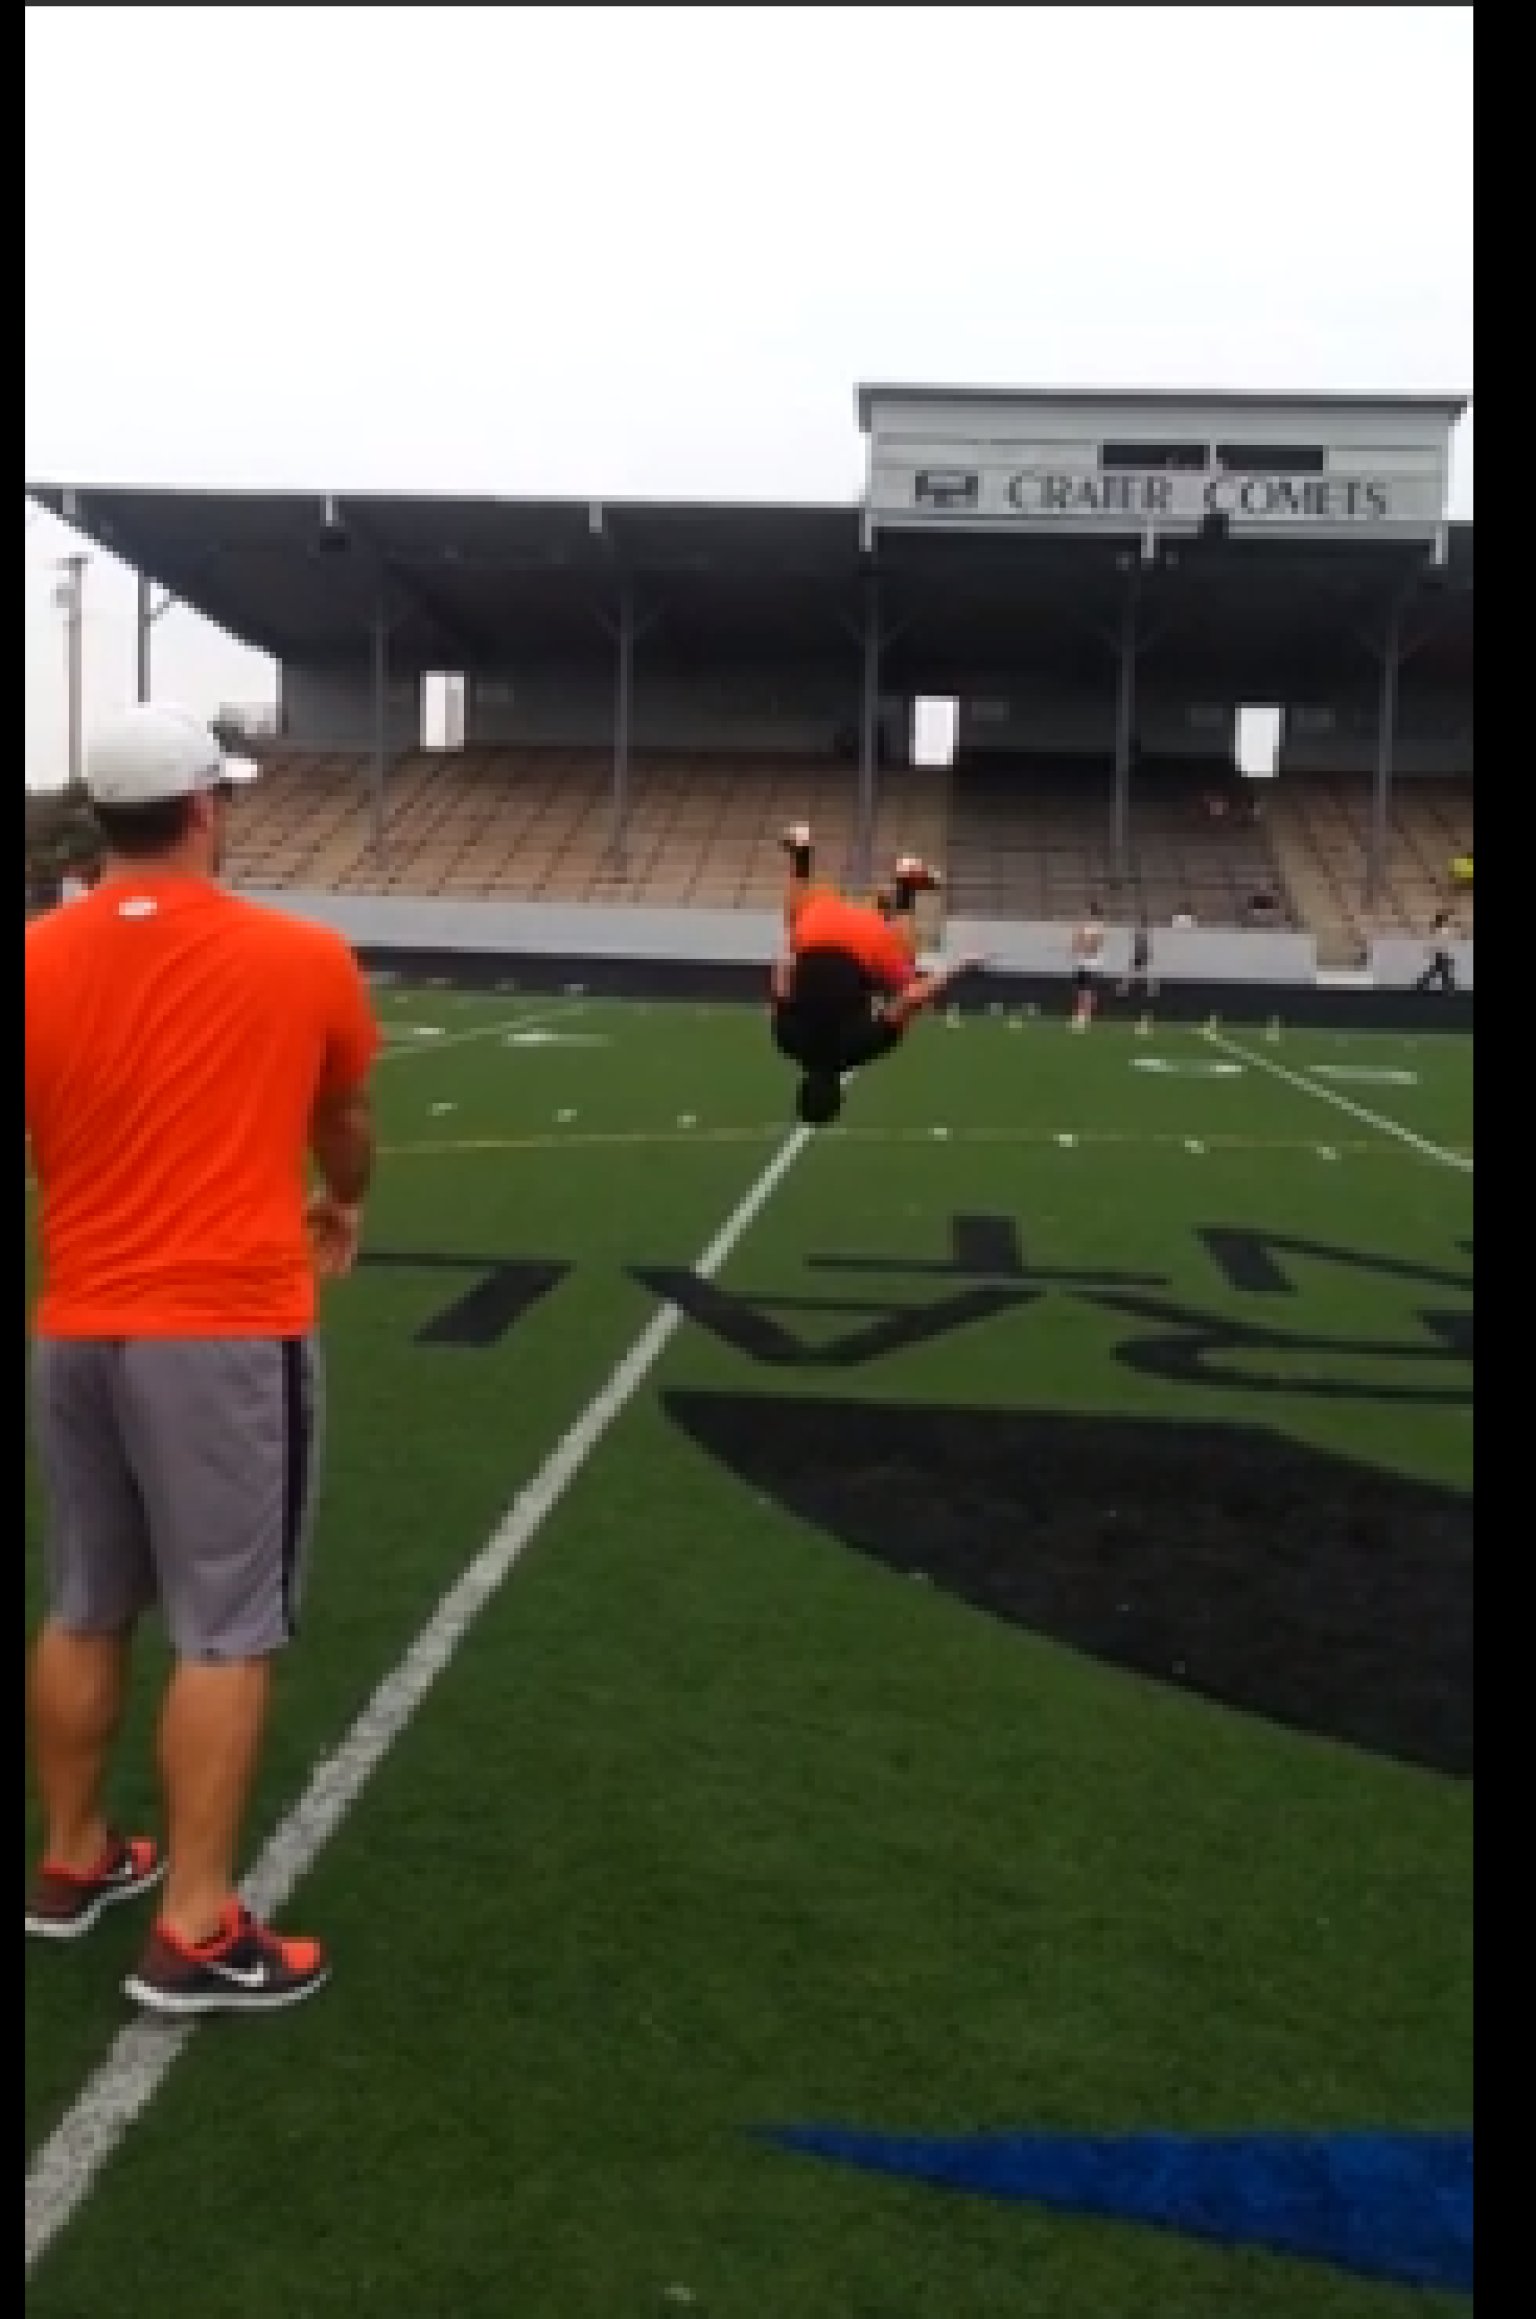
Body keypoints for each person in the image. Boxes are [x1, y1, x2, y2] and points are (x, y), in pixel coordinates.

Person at [24, 701, 381, 2016]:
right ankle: (194, 1918)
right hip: (222, 1327)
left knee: (84, 1597)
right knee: (227, 1628)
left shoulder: (33, 957)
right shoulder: (300, 954)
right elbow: (343, 1120)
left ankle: (71, 1858)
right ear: (201, 808)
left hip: (77, 1322)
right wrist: (345, 1202)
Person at [770, 824, 981, 1125]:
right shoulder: (787, 1042)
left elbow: (909, 997)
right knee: (794, 921)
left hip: (866, 939)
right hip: (818, 923)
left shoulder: (861, 1050)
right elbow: (781, 974)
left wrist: (960, 967)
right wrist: (801, 951)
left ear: (841, 1095)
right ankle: (801, 852)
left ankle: (905, 886)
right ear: (800, 1088)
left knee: (906, 973)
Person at [1068, 900, 1106, 1029]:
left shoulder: (1097, 927)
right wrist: (1078, 945)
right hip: (1082, 962)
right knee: (1081, 989)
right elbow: (1077, 942)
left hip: (1091, 962)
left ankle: (1086, 1013)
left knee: (1088, 990)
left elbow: (1095, 945)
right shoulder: (1083, 926)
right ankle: (1080, 1013)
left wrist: (1085, 946)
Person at [1414, 907, 1459, 993]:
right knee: (1441, 972)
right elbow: (1444, 943)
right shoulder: (1443, 931)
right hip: (1442, 954)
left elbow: (1437, 943)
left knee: (1438, 972)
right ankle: (1449, 989)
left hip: (1440, 954)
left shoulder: (1437, 931)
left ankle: (1422, 985)